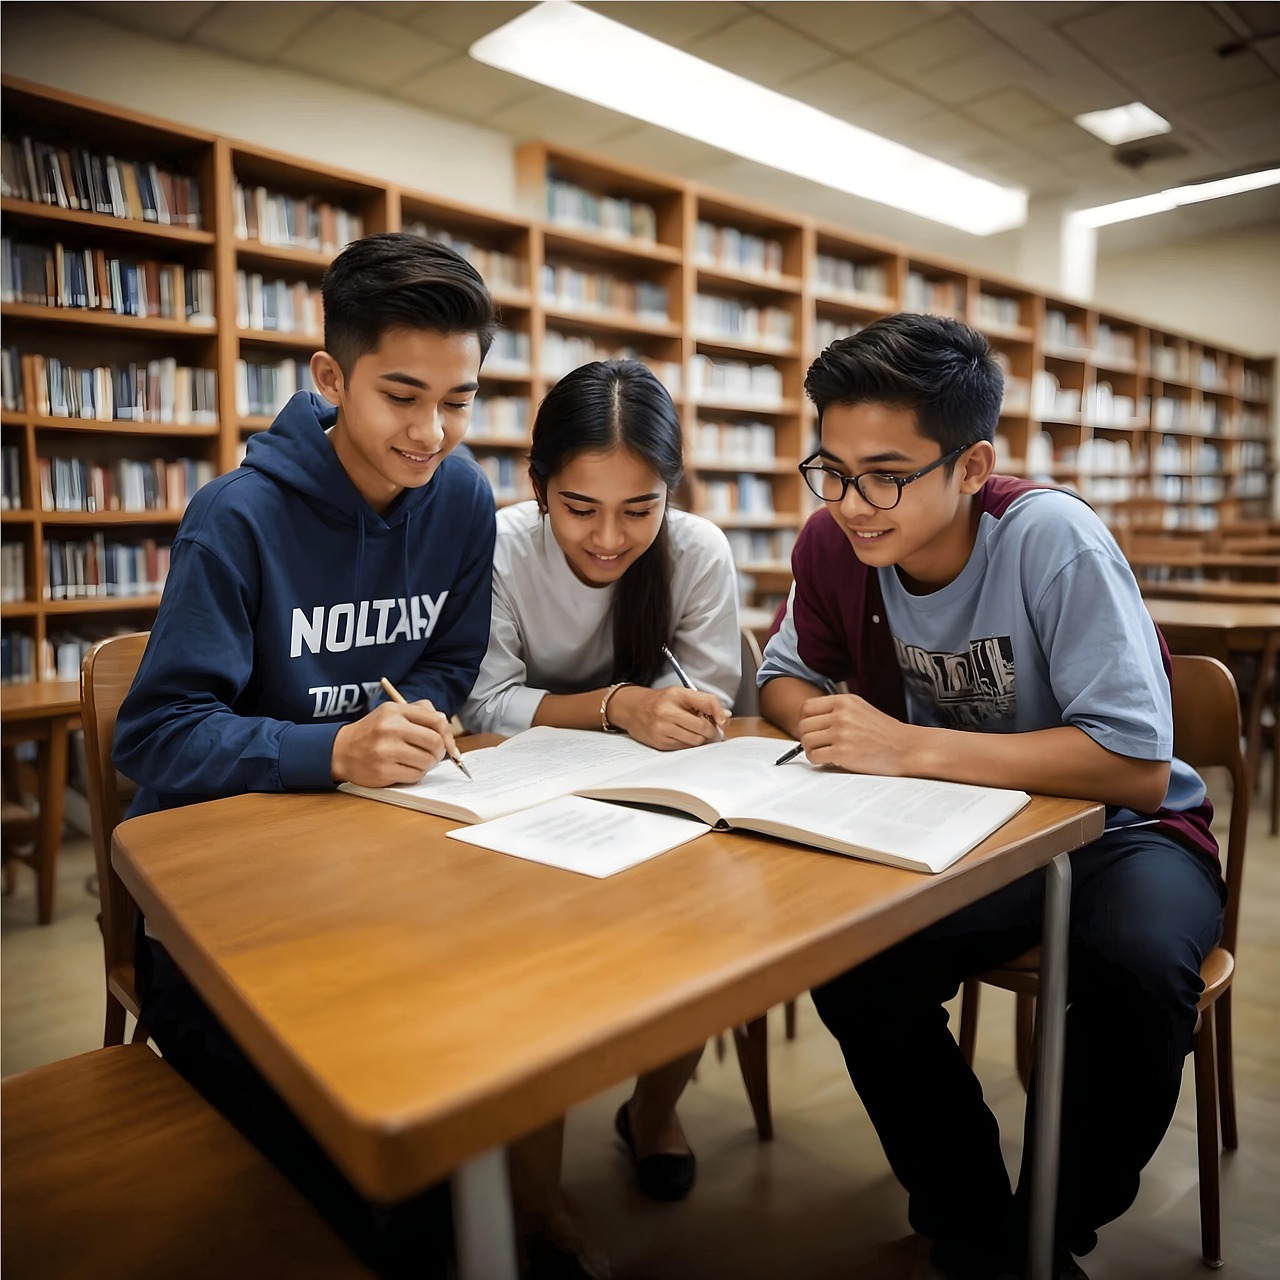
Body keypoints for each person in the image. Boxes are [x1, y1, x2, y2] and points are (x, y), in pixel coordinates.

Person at [757, 314, 1224, 1280]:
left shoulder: (1052, 539)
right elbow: (782, 678)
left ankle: (1053, 1226)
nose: (852, 503)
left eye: (886, 474)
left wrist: (910, 745)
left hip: (1123, 834)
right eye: (830, 470)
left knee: (1136, 963)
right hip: (958, 833)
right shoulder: (834, 543)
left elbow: (1135, 763)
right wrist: (822, 718)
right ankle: (972, 1223)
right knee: (849, 963)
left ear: (971, 468)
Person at [113, 231, 500, 1278]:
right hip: (215, 903)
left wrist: (415, 714)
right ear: (330, 377)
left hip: (379, 866)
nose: (431, 433)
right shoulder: (234, 519)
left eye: (458, 400)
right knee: (353, 1148)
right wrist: (331, 747)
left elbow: (450, 656)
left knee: (474, 1059)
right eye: (401, 395)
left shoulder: (464, 500)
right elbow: (150, 733)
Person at [461, 358, 739, 1266]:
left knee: (700, 932)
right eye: (580, 508)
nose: (610, 539)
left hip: (648, 809)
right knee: (520, 964)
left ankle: (652, 1112)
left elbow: (703, 697)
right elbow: (482, 702)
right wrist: (619, 705)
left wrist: (659, 713)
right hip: (513, 809)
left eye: (640, 508)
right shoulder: (499, 545)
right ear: (537, 486)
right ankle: (533, 1199)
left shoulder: (696, 550)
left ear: (673, 492)